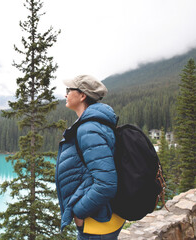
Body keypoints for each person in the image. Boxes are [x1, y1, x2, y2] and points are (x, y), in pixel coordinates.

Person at [55, 75, 125, 240]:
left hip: (97, 224)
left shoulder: (89, 130)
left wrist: (78, 212)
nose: (65, 95)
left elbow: (106, 184)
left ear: (82, 95)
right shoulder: (96, 123)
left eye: (68, 90)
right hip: (105, 218)